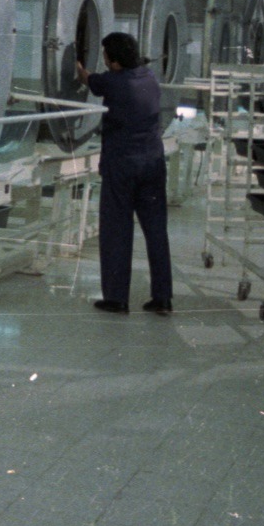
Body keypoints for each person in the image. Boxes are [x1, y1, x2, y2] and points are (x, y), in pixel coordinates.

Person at [76, 31, 174, 316]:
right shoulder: (149, 78)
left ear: (114, 62)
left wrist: (78, 66)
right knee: (156, 232)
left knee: (117, 231)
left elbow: (88, 80)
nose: (104, 61)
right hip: (153, 164)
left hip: (122, 167)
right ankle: (163, 298)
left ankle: (117, 298)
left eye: (106, 56)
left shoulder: (113, 82)